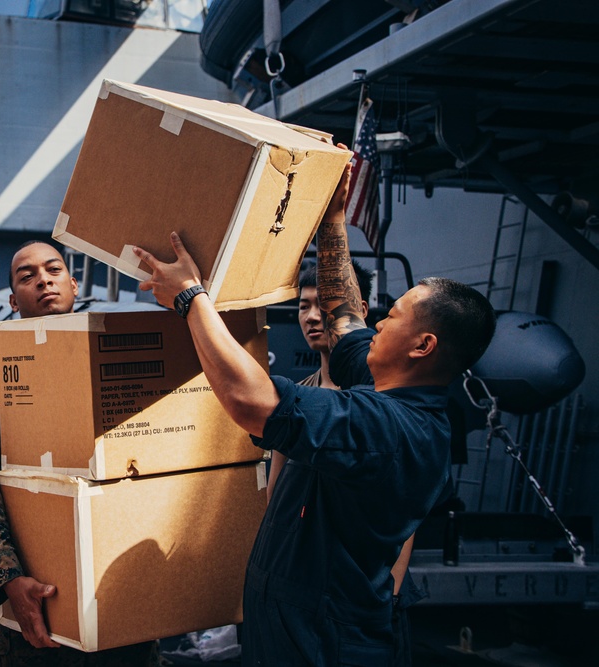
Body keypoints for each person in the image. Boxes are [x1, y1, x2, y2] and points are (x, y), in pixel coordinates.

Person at [132, 161, 495, 666]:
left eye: (390, 318)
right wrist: (333, 220)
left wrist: (191, 299)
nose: (375, 323)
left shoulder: (389, 428)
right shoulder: (387, 386)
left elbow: (252, 401)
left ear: (422, 345)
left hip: (323, 643)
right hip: (288, 624)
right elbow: (344, 313)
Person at [0, 240, 160, 666]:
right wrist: (7, 578)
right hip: (35, 591)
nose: (43, 280)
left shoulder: (110, 358)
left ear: (73, 283)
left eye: (53, 270)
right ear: (13, 300)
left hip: (115, 587)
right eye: (27, 277)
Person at [276, 261, 423, 666]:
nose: (310, 317)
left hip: (366, 594)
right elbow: (277, 494)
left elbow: (404, 510)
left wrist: (387, 595)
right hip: (306, 587)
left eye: (322, 305)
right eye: (302, 306)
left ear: (356, 308)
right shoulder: (299, 392)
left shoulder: (382, 395)